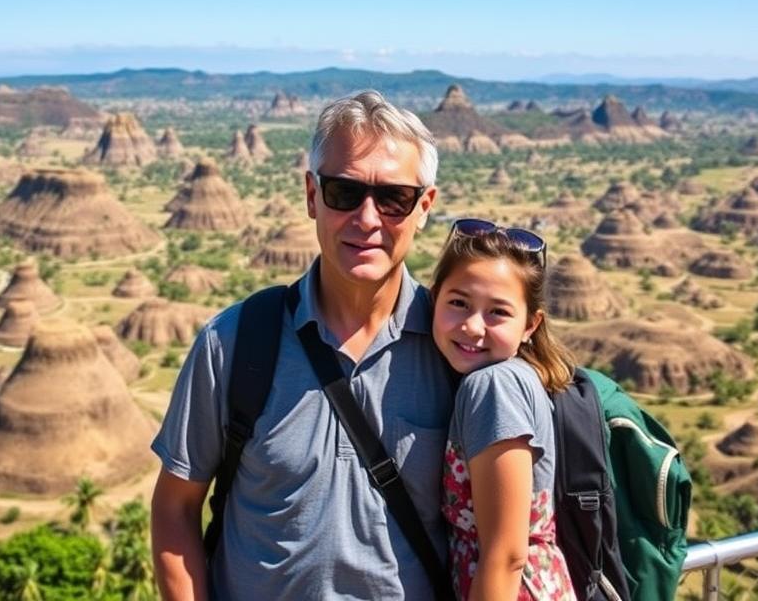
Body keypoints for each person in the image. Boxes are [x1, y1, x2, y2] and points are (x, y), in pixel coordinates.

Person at [150, 90, 456, 600]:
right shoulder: (233, 346)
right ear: (312, 195)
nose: (367, 219)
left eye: (393, 199)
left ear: (424, 207)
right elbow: (174, 508)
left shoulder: (457, 353)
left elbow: (505, 540)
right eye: (344, 192)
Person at [429, 219, 578, 601]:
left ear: (531, 324)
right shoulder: (518, 377)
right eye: (459, 303)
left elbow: (506, 555)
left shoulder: (493, 387)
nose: (473, 326)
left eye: (497, 312)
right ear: (434, 299)